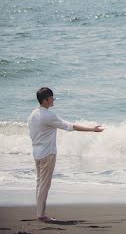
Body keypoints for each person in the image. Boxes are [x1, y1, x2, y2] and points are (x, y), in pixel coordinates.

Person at [27, 87, 104, 223]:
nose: (54, 99)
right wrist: (92, 129)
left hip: (37, 153)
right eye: (52, 97)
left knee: (40, 183)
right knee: (44, 185)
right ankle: (41, 215)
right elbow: (70, 126)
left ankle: (40, 212)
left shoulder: (33, 114)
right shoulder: (48, 116)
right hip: (47, 154)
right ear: (45, 100)